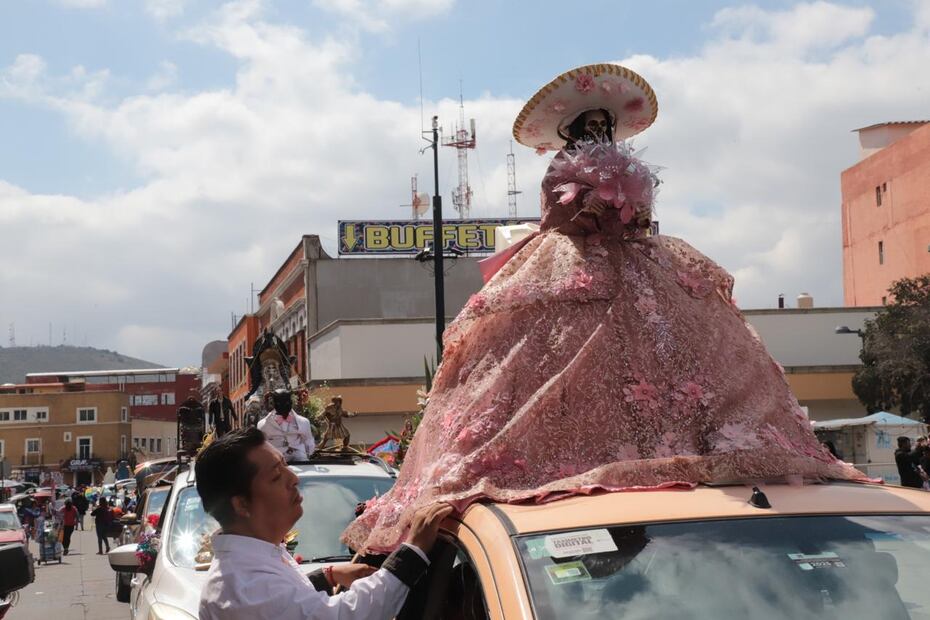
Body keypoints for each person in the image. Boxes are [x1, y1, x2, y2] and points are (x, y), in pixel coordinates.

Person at [342, 63, 866, 553]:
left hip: (638, 264)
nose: (597, 130)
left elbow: (639, 219)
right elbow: (556, 219)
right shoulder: (559, 172)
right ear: (571, 131)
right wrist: (586, 211)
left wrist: (625, 210)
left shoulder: (632, 167)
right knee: (553, 362)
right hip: (573, 262)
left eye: (603, 123)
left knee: (668, 350)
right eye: (588, 124)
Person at [196, 427, 452, 620]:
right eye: (276, 476)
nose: (293, 478)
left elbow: (292, 604)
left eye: (286, 466)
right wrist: (412, 552)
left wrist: (326, 577)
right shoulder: (244, 588)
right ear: (241, 505)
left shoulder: (253, 562)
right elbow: (340, 616)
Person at [257, 389, 315, 462]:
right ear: (274, 404)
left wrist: (307, 453)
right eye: (279, 404)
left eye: (286, 403)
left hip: (299, 458)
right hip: (276, 458)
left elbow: (308, 440)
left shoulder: (303, 422)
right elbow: (263, 445)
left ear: (291, 403)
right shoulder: (263, 425)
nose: (283, 406)